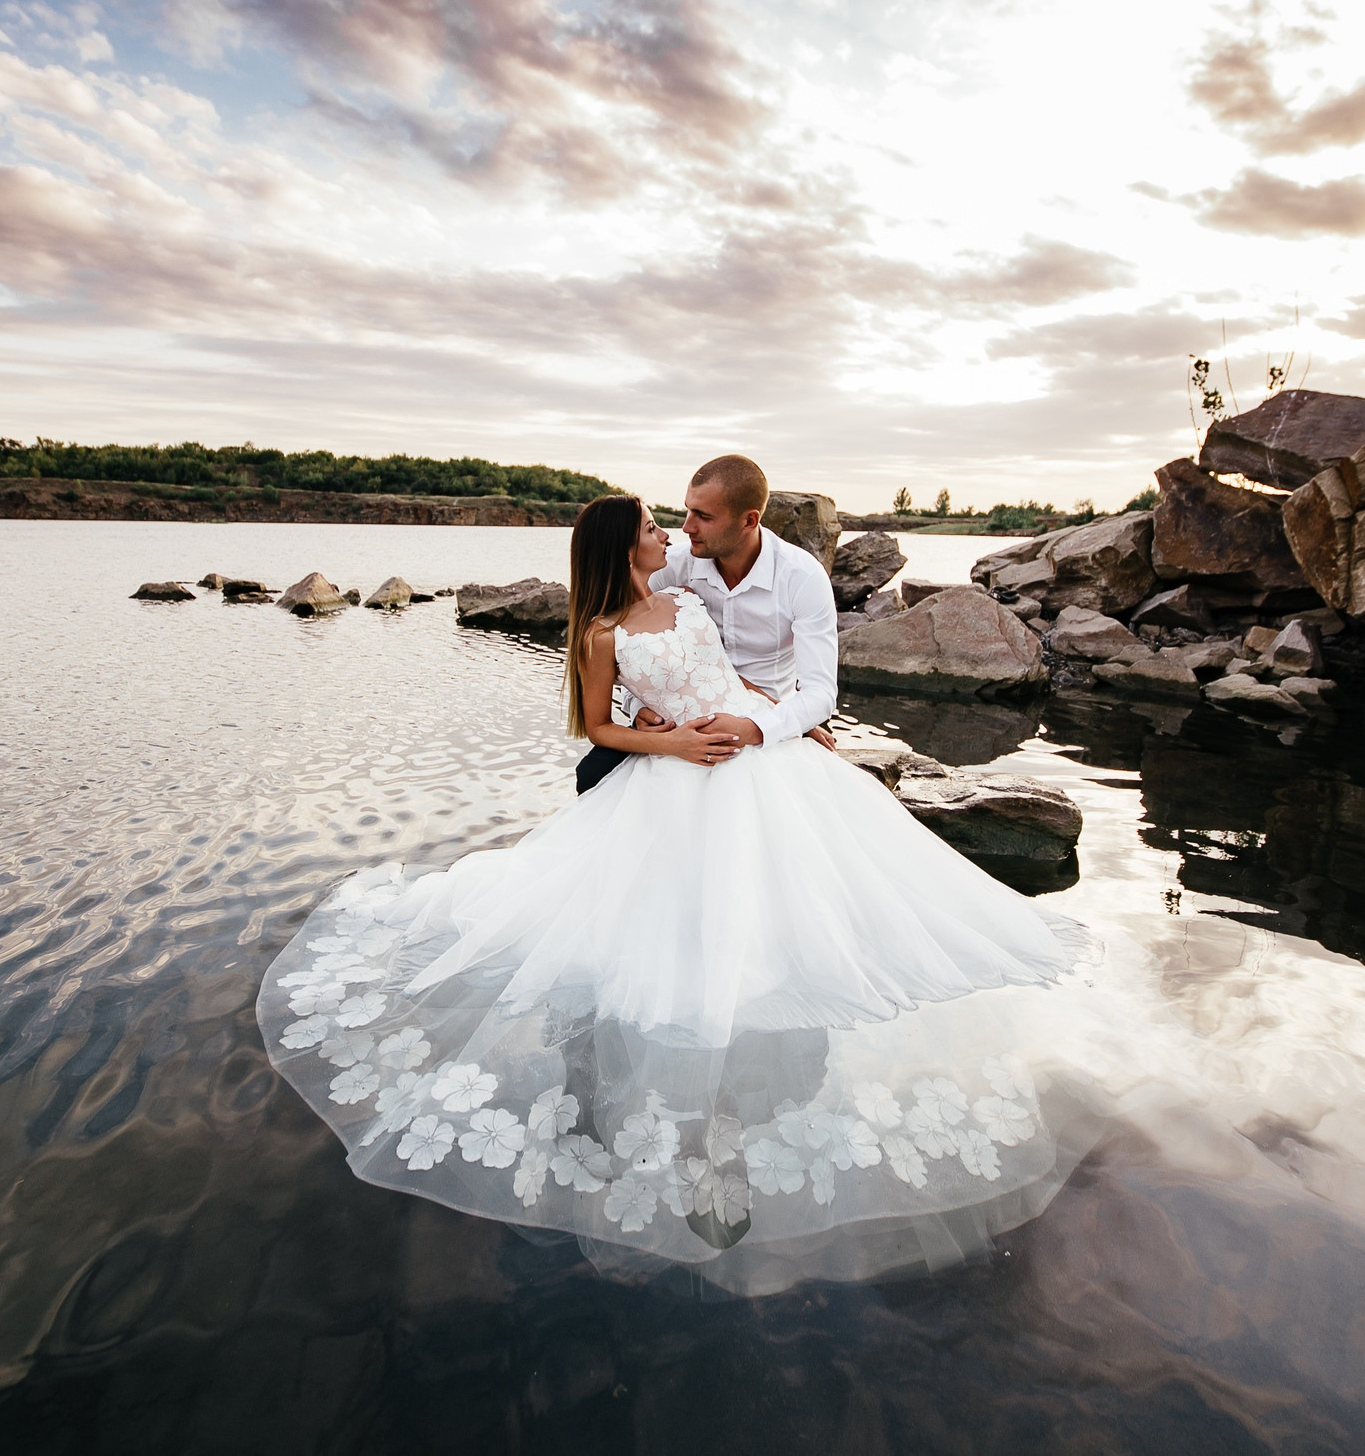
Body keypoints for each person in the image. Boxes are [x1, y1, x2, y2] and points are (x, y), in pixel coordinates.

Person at [256, 484, 1126, 1294]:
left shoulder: (687, 593)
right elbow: (594, 723)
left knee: (805, 883)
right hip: (675, 768)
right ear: (623, 547)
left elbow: (735, 677)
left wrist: (789, 724)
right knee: (676, 904)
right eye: (651, 526)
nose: (668, 532)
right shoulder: (601, 632)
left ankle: (751, 1032)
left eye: (676, 521)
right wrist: (667, 742)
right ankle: (698, 1074)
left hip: (751, 748)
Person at [572, 453, 837, 796]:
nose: (685, 528)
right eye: (688, 510)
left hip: (764, 713)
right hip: (676, 722)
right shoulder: (671, 567)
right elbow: (633, 649)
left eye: (704, 516)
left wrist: (771, 725)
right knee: (592, 775)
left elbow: (820, 692)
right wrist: (640, 709)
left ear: (749, 520)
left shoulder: (801, 578)